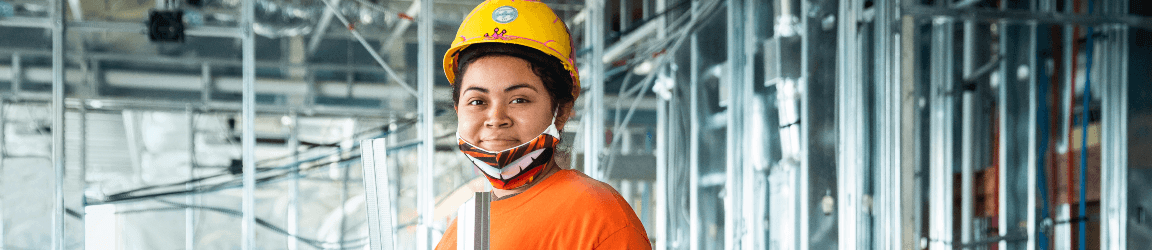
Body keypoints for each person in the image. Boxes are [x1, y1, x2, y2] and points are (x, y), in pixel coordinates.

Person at [434, 0, 650, 249]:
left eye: (519, 99)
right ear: (457, 110)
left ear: (561, 111)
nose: (495, 118)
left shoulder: (599, 220)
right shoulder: (460, 233)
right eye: (477, 101)